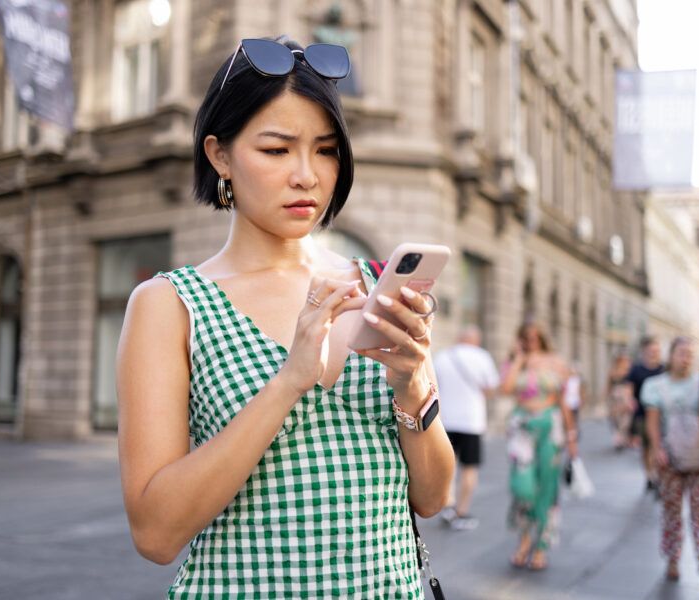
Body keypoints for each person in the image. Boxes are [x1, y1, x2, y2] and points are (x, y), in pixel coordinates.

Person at [115, 37, 455, 598]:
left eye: (325, 149)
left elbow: (432, 498)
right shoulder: (170, 304)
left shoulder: (374, 284)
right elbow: (155, 532)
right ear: (219, 155)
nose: (307, 175)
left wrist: (412, 385)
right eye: (277, 150)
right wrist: (288, 382)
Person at [642, 337, 699, 590]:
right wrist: (657, 449)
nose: (686, 358)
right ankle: (672, 558)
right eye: (681, 353)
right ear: (671, 355)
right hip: (671, 458)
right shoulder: (655, 385)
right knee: (671, 512)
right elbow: (652, 421)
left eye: (690, 354)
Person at [500, 322, 578, 571]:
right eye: (526, 337)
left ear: (542, 338)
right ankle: (524, 539)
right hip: (522, 427)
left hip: (550, 427)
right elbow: (506, 389)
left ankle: (541, 545)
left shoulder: (556, 362)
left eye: (535, 337)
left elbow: (565, 401)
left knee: (546, 488)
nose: (531, 340)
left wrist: (572, 435)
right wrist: (519, 360)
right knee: (522, 488)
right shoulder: (515, 361)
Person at [434, 325, 501, 530]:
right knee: (469, 469)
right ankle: (461, 511)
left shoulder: (442, 356)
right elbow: (491, 389)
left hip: (445, 420)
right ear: (476, 340)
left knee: (447, 467)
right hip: (471, 421)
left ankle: (447, 507)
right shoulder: (482, 357)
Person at [624, 336, 665, 492]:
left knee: (659, 445)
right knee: (646, 447)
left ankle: (658, 473)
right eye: (651, 351)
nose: (654, 353)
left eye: (657, 351)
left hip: (661, 415)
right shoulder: (637, 369)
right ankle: (649, 475)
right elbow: (628, 387)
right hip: (642, 413)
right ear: (645, 351)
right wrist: (629, 400)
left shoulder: (663, 369)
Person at [607, 351, 634, 450]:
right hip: (615, 398)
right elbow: (608, 386)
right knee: (615, 419)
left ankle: (623, 438)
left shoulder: (629, 371)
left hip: (625, 396)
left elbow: (631, 386)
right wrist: (608, 398)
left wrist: (630, 398)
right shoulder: (613, 372)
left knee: (626, 419)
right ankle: (618, 437)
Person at [562, 361, 587, 438]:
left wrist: (582, 399)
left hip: (575, 401)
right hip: (567, 401)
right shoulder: (566, 379)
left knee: (575, 416)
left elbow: (581, 390)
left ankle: (575, 430)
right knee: (568, 417)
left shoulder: (578, 379)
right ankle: (570, 430)